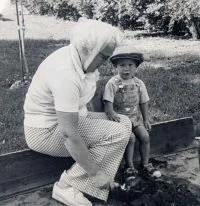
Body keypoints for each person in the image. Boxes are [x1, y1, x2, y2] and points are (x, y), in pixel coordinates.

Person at [23, 19, 132, 206]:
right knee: (118, 133)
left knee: (123, 123)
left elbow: (92, 94)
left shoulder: (82, 60)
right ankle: (67, 186)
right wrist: (96, 173)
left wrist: (105, 126)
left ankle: (94, 174)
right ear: (90, 49)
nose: (106, 62)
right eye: (104, 57)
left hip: (70, 120)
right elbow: (68, 133)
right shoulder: (65, 73)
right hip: (45, 132)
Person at [103, 45, 161, 185]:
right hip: (120, 121)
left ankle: (145, 164)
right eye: (122, 65)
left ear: (136, 67)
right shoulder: (113, 83)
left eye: (130, 65)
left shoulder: (138, 83)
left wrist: (146, 119)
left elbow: (143, 102)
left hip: (135, 119)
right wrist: (110, 112)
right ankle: (129, 167)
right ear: (116, 67)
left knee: (145, 136)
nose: (126, 68)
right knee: (131, 139)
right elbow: (107, 100)